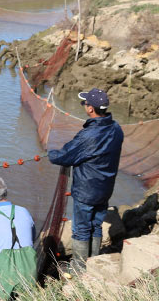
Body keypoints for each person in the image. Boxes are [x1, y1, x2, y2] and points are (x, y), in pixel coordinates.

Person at [48, 87, 123, 267]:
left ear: (90, 109)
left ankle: (79, 269)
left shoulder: (88, 135)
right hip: (105, 188)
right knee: (96, 226)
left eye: (85, 103)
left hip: (86, 191)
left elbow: (64, 156)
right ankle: (94, 263)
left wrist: (50, 153)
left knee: (81, 229)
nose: (84, 105)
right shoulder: (116, 128)